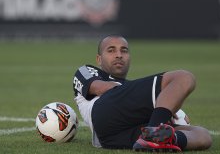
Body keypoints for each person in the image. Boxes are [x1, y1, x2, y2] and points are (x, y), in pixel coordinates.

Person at [72, 35, 212, 152]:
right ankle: (154, 130)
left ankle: (163, 138)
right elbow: (100, 88)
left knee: (202, 135)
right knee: (184, 77)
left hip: (112, 138)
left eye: (124, 51)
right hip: (102, 111)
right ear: (99, 59)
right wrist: (159, 104)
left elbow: (130, 97)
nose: (119, 55)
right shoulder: (86, 70)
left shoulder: (129, 89)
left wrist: (163, 109)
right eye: (111, 50)